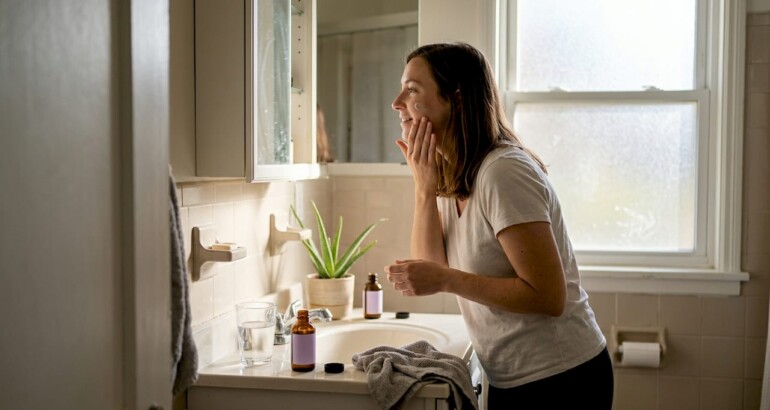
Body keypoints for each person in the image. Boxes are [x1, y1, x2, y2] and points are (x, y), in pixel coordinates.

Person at [384, 42, 614, 409]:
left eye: (412, 89)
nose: (397, 102)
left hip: (561, 378)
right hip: (512, 376)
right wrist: (424, 189)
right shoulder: (456, 173)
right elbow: (432, 267)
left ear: (456, 100)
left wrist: (446, 280)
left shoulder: (503, 172)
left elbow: (548, 297)